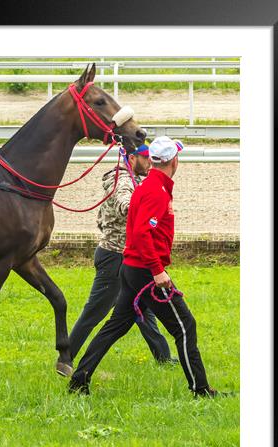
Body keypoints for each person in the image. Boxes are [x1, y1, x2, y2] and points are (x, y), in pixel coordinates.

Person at [68, 136, 223, 397]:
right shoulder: (155, 192)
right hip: (145, 271)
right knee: (185, 326)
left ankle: (79, 379)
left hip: (131, 268)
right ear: (174, 161)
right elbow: (141, 233)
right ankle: (201, 389)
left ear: (152, 160)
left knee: (116, 326)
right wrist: (157, 270)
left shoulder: (148, 185)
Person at [66, 143, 177, 369]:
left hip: (127, 257)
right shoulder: (122, 180)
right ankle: (65, 357)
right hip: (113, 256)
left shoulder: (135, 179)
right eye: (145, 158)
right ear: (131, 158)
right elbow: (124, 204)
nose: (149, 163)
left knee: (144, 309)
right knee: (96, 310)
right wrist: (146, 207)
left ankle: (163, 357)